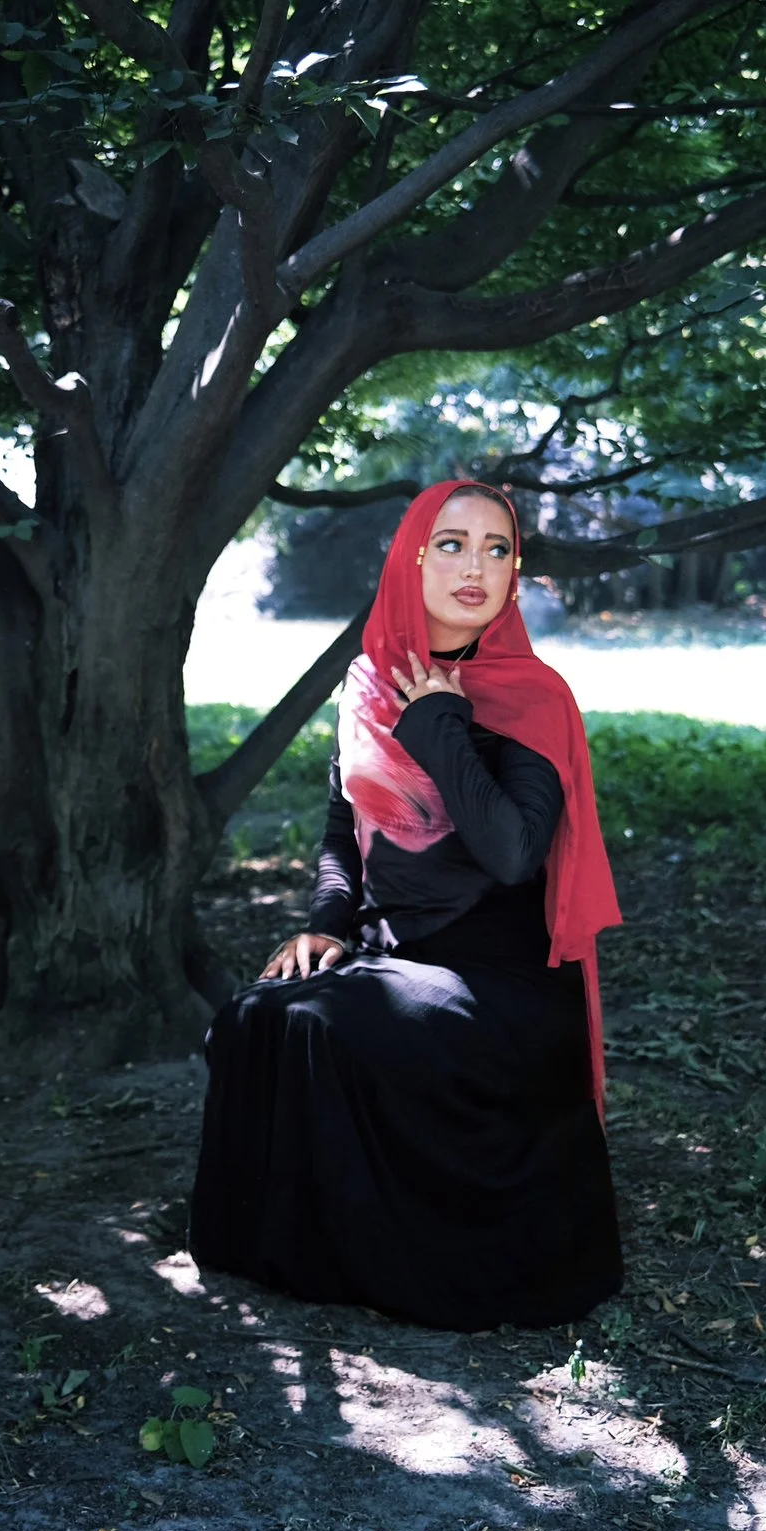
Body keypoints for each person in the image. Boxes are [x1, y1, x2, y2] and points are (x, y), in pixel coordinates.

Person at [188, 480, 624, 1332]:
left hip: (502, 978)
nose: (476, 568)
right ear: (412, 558)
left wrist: (439, 724)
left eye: (497, 549)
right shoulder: (366, 682)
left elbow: (511, 852)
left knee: (332, 1027)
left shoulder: (533, 695)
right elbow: (342, 832)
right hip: (394, 959)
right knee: (253, 1016)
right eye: (452, 545)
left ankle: (392, 1267)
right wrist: (326, 923)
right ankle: (292, 1253)